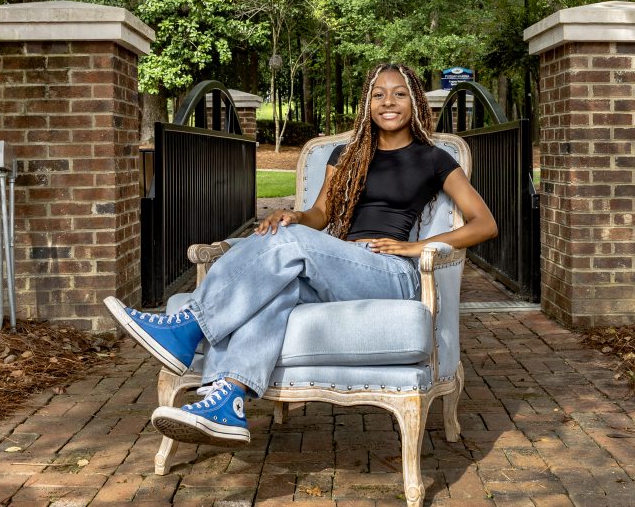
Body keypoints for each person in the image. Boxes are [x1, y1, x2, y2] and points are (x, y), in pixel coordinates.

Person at [102, 62, 496, 447]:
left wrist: (416, 246)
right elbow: (321, 214)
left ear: (414, 104)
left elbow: (484, 223)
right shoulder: (347, 154)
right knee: (276, 285)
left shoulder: (433, 158)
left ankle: (187, 327)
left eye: (399, 94)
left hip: (391, 272)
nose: (388, 102)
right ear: (367, 104)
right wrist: (295, 215)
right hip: (339, 263)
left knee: (290, 242)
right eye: (378, 94)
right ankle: (227, 402)